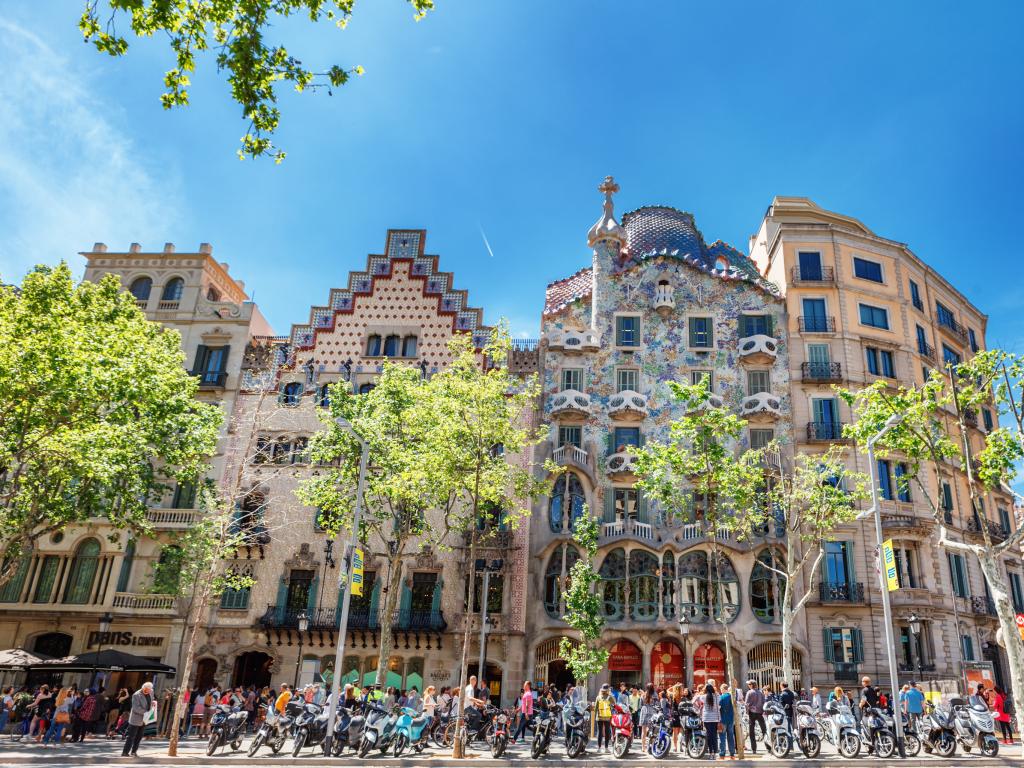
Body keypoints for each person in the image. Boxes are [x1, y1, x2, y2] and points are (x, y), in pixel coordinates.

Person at [121, 682, 153, 758]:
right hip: (136, 719)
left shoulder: (150, 693)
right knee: (131, 736)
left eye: (150, 690)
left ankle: (134, 752)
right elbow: (136, 708)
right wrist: (146, 712)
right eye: (148, 690)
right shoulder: (136, 695)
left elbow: (150, 702)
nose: (150, 691)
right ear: (144, 688)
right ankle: (125, 752)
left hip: (144, 719)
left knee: (139, 737)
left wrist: (153, 704)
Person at [699, 681, 720, 762]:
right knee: (714, 736)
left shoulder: (703, 697)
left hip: (707, 718)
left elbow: (700, 697)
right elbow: (719, 701)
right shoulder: (717, 696)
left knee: (708, 735)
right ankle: (715, 753)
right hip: (715, 718)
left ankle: (710, 753)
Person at [744, 679, 765, 754]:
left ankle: (754, 749)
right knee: (764, 730)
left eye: (749, 684)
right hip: (760, 713)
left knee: (751, 732)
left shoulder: (749, 692)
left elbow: (746, 704)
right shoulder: (760, 693)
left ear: (751, 685)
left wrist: (746, 713)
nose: (748, 686)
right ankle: (769, 747)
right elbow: (763, 703)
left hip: (752, 713)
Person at [719, 683, 736, 760]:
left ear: (723, 689)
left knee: (722, 737)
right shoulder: (731, 697)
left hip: (723, 719)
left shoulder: (721, 697)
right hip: (731, 719)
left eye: (721, 689)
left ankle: (722, 754)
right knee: (731, 737)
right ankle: (732, 753)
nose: (720, 691)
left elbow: (719, 708)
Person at [595, 683, 614, 752]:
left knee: (599, 732)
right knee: (607, 732)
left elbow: (596, 708)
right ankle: (606, 748)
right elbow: (615, 704)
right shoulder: (610, 697)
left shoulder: (598, 697)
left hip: (599, 717)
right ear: (608, 690)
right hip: (607, 717)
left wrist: (596, 716)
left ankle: (599, 748)